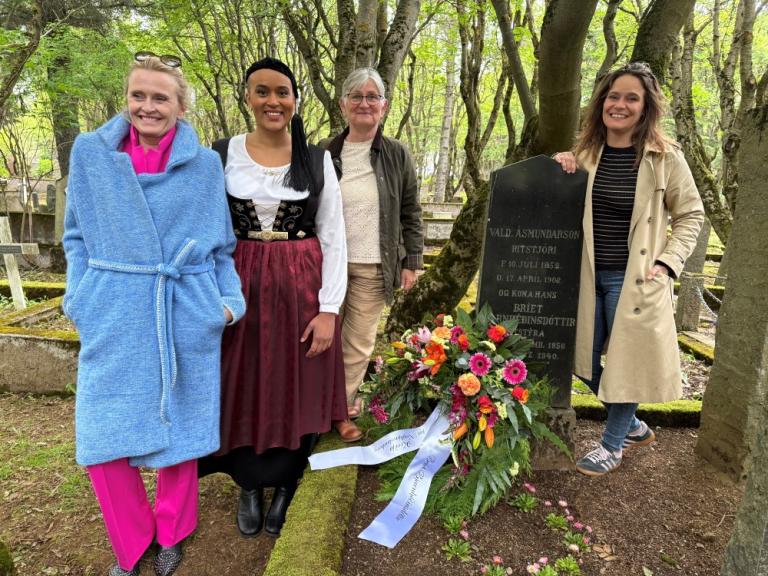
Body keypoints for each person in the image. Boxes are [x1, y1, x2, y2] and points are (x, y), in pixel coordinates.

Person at [62, 52, 245, 576]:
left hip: (183, 306)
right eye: (139, 95)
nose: (148, 106)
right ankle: (132, 538)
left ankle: (173, 533)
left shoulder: (204, 165)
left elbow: (220, 248)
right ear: (127, 99)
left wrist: (226, 307)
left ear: (180, 105)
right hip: (113, 308)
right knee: (102, 437)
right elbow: (75, 234)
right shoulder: (91, 154)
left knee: (179, 429)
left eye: (160, 97)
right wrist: (81, 296)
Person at [198, 57, 348, 538]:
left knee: (293, 379)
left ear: (295, 100)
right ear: (247, 98)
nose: (273, 101)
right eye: (261, 91)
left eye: (282, 92)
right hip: (238, 283)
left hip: (301, 284)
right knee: (241, 378)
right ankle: (247, 483)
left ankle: (285, 483)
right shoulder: (219, 155)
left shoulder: (317, 157)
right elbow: (202, 227)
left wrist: (328, 309)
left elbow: (334, 236)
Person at [553, 62, 704, 477]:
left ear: (645, 107)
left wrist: (668, 261)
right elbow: (561, 201)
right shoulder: (585, 154)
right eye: (613, 96)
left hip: (635, 279)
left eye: (631, 98)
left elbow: (691, 215)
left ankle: (612, 445)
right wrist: (560, 165)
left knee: (626, 364)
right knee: (583, 362)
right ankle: (633, 424)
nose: (619, 105)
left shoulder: (665, 158)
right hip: (586, 277)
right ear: (602, 102)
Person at [323, 67, 423, 441]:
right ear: (343, 104)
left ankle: (342, 411)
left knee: (358, 342)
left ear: (384, 105)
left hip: (374, 265)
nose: (364, 103)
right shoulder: (325, 152)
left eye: (372, 97)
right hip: (325, 266)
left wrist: (412, 262)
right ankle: (314, 408)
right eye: (356, 96)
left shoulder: (397, 153)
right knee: (322, 339)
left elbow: (411, 210)